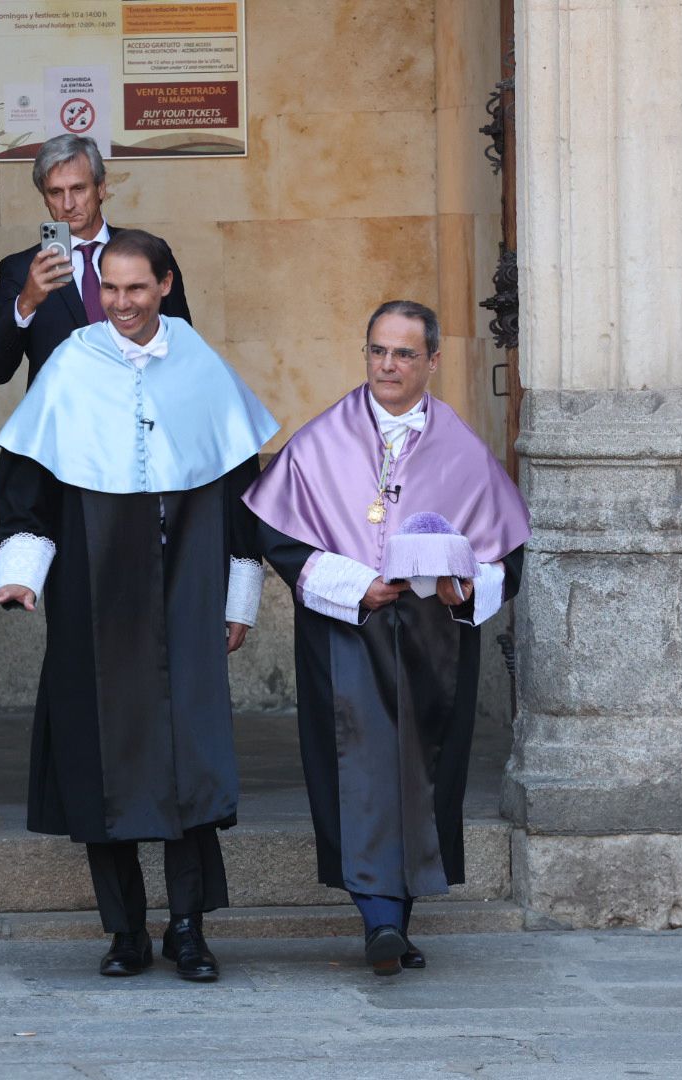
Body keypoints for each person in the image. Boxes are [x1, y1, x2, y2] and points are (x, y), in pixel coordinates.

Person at [0, 230, 278, 981]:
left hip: (185, 592)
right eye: (109, 289)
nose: (121, 304)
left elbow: (242, 494)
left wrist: (240, 594)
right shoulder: (73, 362)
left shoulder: (202, 365)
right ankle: (125, 932)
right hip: (91, 589)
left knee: (187, 758)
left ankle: (189, 929)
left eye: (136, 289)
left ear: (167, 286)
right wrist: (21, 573)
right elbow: (28, 487)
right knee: (99, 756)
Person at [242, 300, 530, 977]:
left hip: (436, 639)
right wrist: (355, 585)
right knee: (360, 771)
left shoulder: (462, 448)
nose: (388, 365)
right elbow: (277, 538)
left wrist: (466, 589)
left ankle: (397, 921)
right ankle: (377, 917)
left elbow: (508, 557)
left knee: (423, 773)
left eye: (404, 353)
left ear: (432, 360)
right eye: (378, 351)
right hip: (349, 634)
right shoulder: (320, 442)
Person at [0, 134, 192, 386]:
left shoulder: (148, 253)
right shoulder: (21, 270)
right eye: (55, 192)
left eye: (78, 189)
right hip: (64, 419)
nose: (68, 204)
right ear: (45, 199)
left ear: (101, 188)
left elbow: (183, 347)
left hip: (141, 413)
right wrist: (26, 303)